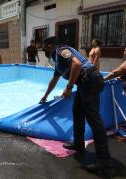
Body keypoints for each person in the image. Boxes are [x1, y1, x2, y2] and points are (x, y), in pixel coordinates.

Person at [39, 36, 114, 177]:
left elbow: (77, 64)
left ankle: (105, 163)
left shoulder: (61, 51)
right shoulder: (57, 62)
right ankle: (78, 144)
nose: (46, 53)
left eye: (46, 49)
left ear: (50, 46)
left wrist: (68, 87)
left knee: (94, 120)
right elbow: (53, 81)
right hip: (85, 83)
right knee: (77, 112)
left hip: (89, 80)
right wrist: (45, 96)